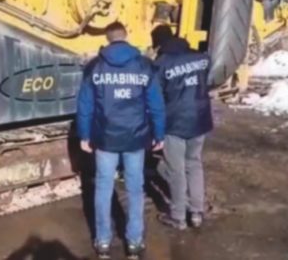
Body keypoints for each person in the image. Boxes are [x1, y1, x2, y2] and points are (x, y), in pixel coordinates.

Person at [76, 22, 166, 259]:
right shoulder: (144, 66)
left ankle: (103, 242)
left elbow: (84, 106)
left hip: (105, 138)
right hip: (136, 138)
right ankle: (134, 242)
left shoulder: (94, 67)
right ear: (126, 37)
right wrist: (159, 134)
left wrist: (84, 135)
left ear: (107, 39)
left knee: (103, 188)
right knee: (135, 189)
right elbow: (156, 104)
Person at [150, 24, 213, 230]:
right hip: (200, 119)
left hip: (174, 123)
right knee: (194, 164)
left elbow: (156, 101)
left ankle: (178, 217)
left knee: (176, 170)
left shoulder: (161, 65)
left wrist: (155, 129)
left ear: (159, 43)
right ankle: (196, 213)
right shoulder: (202, 57)